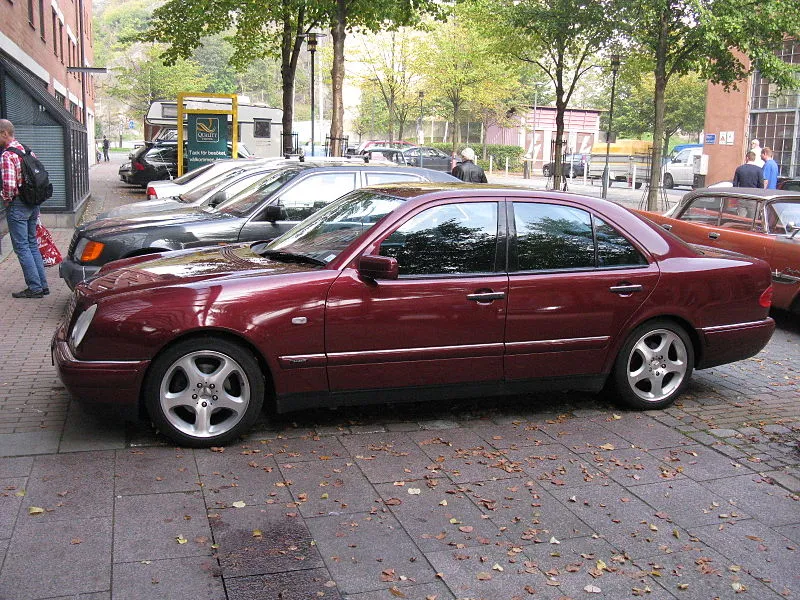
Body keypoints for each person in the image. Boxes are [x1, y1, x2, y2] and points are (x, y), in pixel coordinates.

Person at [0, 119, 49, 299]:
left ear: (5, 133)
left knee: (21, 247)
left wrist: (6, 199)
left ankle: (34, 288)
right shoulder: (26, 150)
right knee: (31, 244)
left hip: (18, 204)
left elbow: (9, 186)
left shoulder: (7, 155)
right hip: (32, 202)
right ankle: (42, 285)